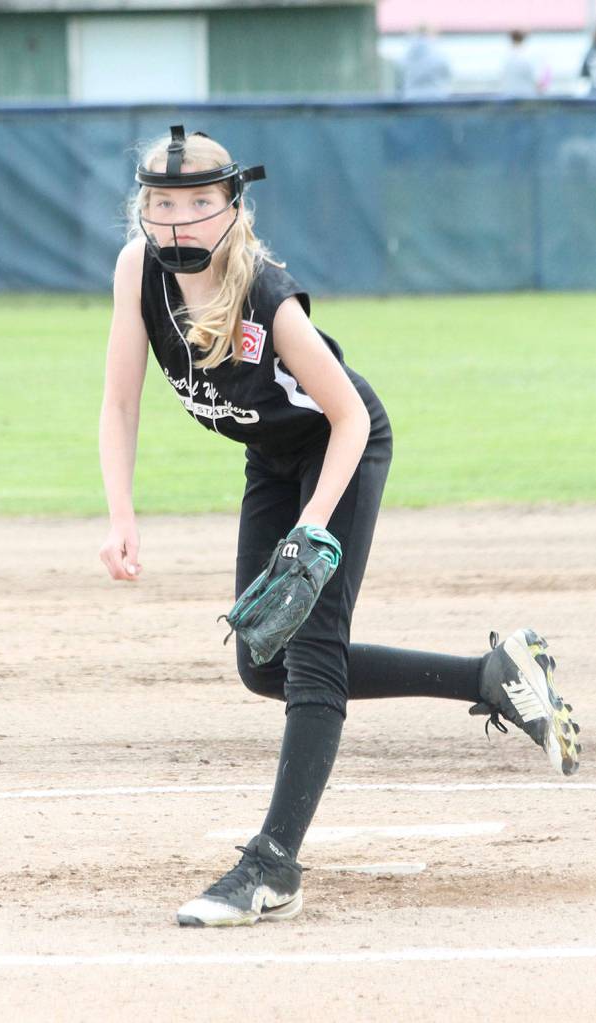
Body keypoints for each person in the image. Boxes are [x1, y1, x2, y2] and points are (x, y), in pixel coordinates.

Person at [98, 126, 581, 928]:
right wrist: (120, 513)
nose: (177, 222)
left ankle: (271, 865)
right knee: (262, 661)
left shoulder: (264, 298)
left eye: (197, 203)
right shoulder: (135, 271)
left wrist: (310, 533)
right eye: (161, 204)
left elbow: (350, 415)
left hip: (339, 450)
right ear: (140, 210)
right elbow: (119, 402)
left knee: (313, 654)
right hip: (271, 455)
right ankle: (491, 675)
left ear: (232, 208)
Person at [401, 26, 452, 100]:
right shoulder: (439, 54)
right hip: (436, 98)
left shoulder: (406, 55)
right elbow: (447, 74)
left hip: (411, 99)